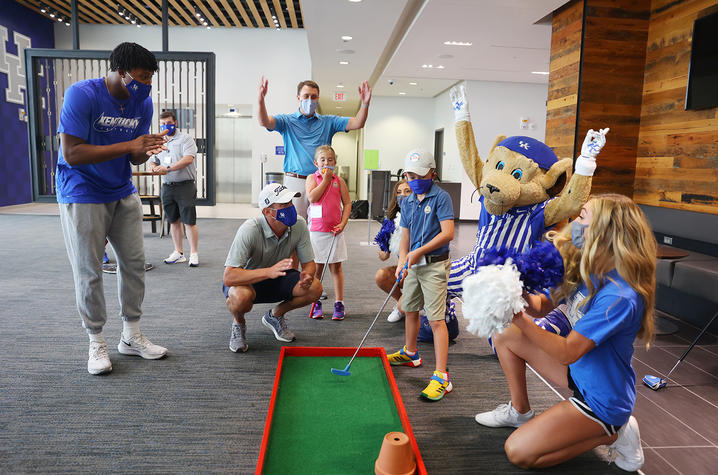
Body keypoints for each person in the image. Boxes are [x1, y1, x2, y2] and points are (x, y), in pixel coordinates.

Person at [474, 194, 656, 472]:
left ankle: (616, 432)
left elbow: (567, 350)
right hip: (579, 374)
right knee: (505, 334)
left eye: (583, 217)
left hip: (602, 398)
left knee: (519, 453)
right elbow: (540, 307)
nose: (575, 223)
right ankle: (520, 411)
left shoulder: (620, 296)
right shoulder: (588, 268)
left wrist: (518, 318)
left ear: (606, 233)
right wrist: (512, 289)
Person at [56, 42, 169, 375]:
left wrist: (145, 150)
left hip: (121, 190)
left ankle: (130, 336)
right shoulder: (82, 95)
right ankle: (95, 340)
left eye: (150, 77)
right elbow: (72, 153)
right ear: (120, 71)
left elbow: (133, 155)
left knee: (134, 264)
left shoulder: (142, 102)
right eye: (142, 76)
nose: (146, 83)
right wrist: (130, 145)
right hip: (81, 190)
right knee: (89, 271)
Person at [387, 150, 455, 401]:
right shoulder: (407, 201)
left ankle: (441, 377)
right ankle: (411, 353)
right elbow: (404, 234)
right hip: (414, 264)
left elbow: (448, 233)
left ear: (432, 173)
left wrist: (418, 253)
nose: (413, 179)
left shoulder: (441, 197)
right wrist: (403, 258)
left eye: (418, 175)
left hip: (434, 265)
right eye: (409, 175)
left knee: (436, 320)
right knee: (409, 308)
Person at [222, 183, 322, 353]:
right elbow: (229, 277)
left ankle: (274, 316)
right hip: (248, 281)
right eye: (283, 205)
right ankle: (238, 323)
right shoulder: (250, 229)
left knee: (315, 288)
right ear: (267, 211)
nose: (290, 207)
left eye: (290, 202)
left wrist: (308, 276)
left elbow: (309, 263)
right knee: (240, 297)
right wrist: (268, 272)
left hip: (278, 277)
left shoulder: (299, 224)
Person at [257, 77, 372, 218]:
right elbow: (264, 121)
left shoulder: (328, 122)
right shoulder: (287, 121)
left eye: (314, 97)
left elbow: (357, 123)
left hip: (321, 181)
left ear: (318, 98)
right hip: (295, 181)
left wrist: (365, 104)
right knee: (295, 223)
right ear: (298, 97)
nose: (310, 100)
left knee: (320, 222)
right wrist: (261, 101)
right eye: (306, 96)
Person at [148, 110, 200, 267]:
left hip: (185, 185)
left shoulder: (186, 139)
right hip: (167, 187)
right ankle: (178, 252)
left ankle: (194, 254)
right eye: (163, 124)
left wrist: (168, 168)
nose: (166, 126)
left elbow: (188, 159)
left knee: (189, 221)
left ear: (175, 123)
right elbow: (152, 159)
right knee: (173, 220)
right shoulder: (160, 141)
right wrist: (153, 167)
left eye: (169, 123)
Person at [305, 145, 351, 320]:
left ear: (335, 162)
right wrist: (325, 179)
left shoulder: (339, 182)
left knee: (336, 267)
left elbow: (347, 204)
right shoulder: (312, 178)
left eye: (330, 160)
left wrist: (343, 223)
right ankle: (315, 302)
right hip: (317, 232)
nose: (326, 162)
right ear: (316, 162)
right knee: (317, 268)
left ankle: (339, 303)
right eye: (323, 160)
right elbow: (312, 198)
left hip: (335, 232)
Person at [374, 179, 412, 322]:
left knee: (406, 307)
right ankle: (401, 302)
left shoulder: (421, 216)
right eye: (399, 192)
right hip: (404, 271)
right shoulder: (392, 220)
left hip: (422, 271)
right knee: (381, 276)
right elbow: (384, 256)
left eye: (407, 191)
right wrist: (385, 244)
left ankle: (406, 304)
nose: (403, 195)